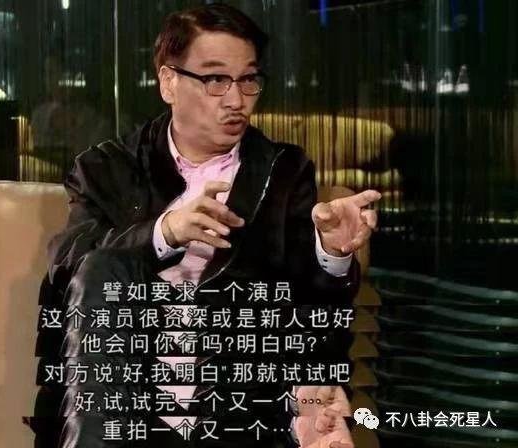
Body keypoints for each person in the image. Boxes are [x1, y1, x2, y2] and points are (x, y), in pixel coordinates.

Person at [30, 4, 380, 448]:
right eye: (215, 80)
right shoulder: (107, 168)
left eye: (248, 80)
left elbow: (310, 312)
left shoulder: (283, 172)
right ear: (168, 82)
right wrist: (163, 234)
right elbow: (69, 264)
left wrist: (331, 253)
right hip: (126, 408)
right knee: (101, 267)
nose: (236, 100)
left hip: (234, 412)